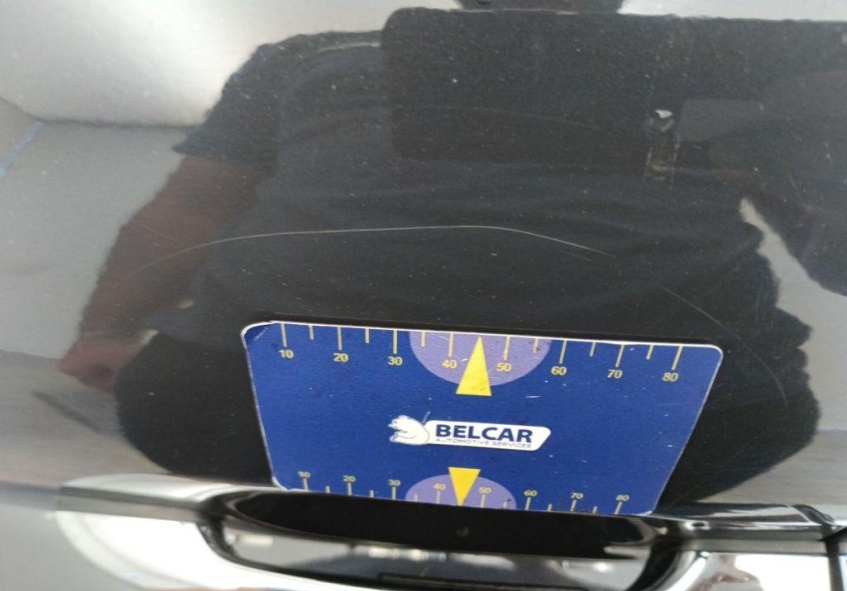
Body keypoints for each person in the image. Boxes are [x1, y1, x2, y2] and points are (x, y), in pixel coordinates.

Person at [61, 4, 846, 502]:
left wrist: (106, 332)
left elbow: (192, 207)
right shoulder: (717, 79)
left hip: (229, 412)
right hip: (692, 430)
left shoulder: (308, 59)